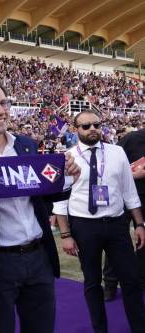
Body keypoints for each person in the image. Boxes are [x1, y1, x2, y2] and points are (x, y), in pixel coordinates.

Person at [0, 78, 79, 333]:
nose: (0, 110)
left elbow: (42, 198)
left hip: (38, 256)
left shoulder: (26, 145)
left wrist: (67, 179)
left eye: (3, 103)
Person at [55, 113, 145, 333]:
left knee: (131, 280)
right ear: (76, 129)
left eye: (97, 124)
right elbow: (60, 199)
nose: (92, 128)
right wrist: (66, 235)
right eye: (86, 126)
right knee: (92, 282)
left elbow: (129, 191)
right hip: (84, 226)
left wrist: (140, 224)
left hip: (116, 224)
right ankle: (100, 329)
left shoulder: (117, 152)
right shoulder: (67, 157)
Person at [103, 128, 145, 301]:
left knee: (144, 243)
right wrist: (135, 175)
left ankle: (141, 281)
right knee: (116, 240)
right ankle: (110, 285)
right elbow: (110, 166)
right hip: (125, 198)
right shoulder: (133, 138)